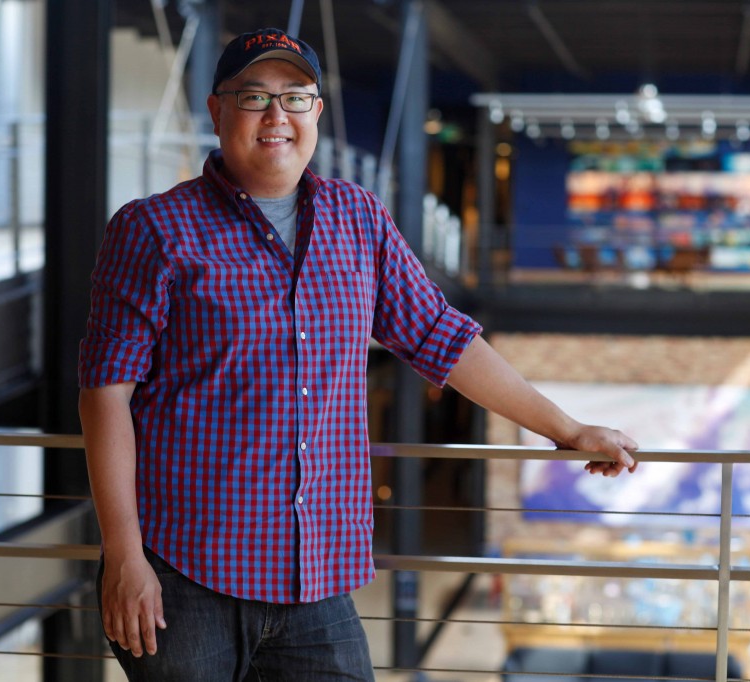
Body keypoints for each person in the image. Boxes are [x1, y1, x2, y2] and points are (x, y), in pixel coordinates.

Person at [78, 27, 639, 682]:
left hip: (316, 576)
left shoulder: (357, 218)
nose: (275, 116)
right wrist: (123, 556)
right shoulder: (154, 230)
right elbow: (104, 393)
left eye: (294, 98)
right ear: (217, 110)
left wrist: (567, 430)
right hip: (186, 573)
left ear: (316, 112)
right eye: (253, 97)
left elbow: (441, 338)